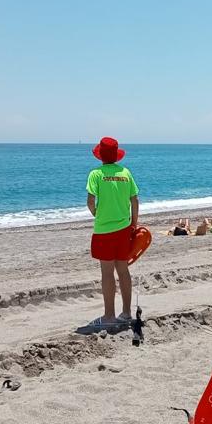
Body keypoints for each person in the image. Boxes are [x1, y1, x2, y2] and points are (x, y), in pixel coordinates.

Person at [86, 136, 139, 329]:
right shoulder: (125, 173)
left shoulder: (96, 174)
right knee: (123, 270)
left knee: (107, 272)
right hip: (124, 228)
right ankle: (126, 313)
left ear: (100, 155)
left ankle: (109, 315)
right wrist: (134, 224)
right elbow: (134, 200)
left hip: (104, 230)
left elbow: (90, 201)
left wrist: (97, 214)